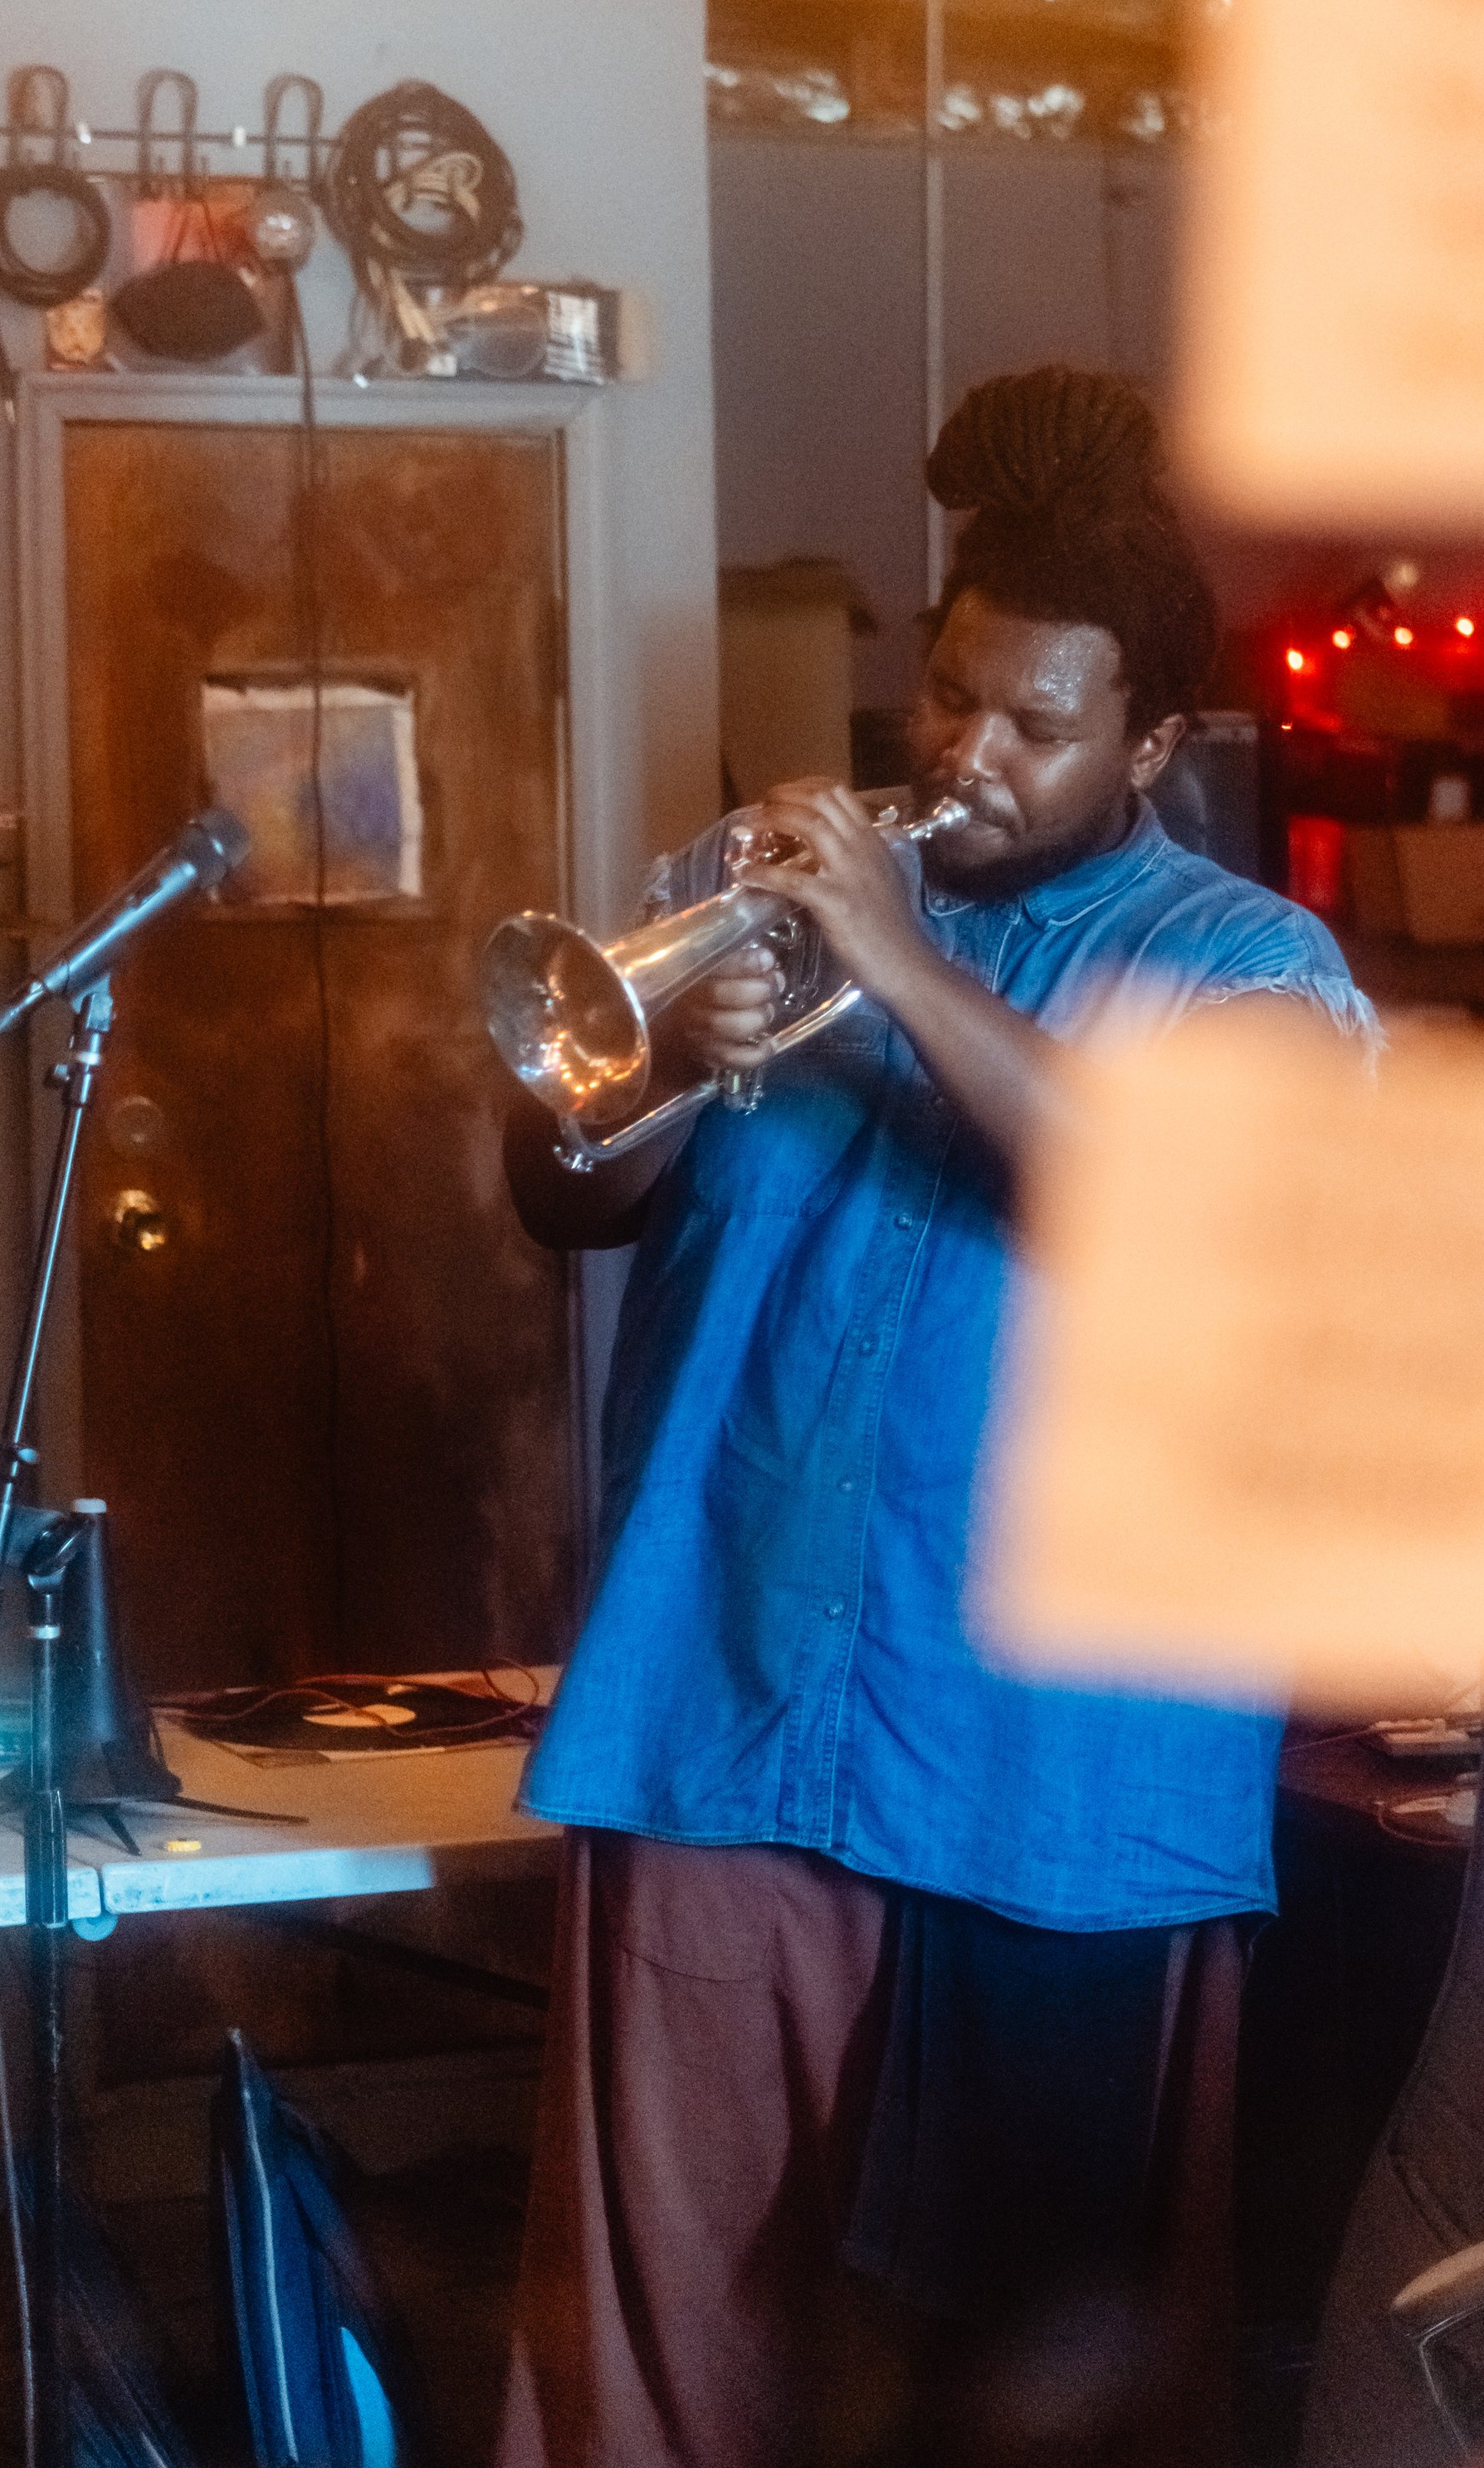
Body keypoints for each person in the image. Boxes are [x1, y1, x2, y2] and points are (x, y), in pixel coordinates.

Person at [495, 369, 1374, 2468]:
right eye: (950, 692)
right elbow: (561, 1202)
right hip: (716, 1714)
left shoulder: (1251, 969)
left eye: (1035, 723)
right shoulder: (748, 892)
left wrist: (891, 964)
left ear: (1152, 744)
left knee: (1023, 2401)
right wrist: (668, 1065)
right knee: (666, 2359)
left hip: (1052, 1776)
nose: (967, 751)